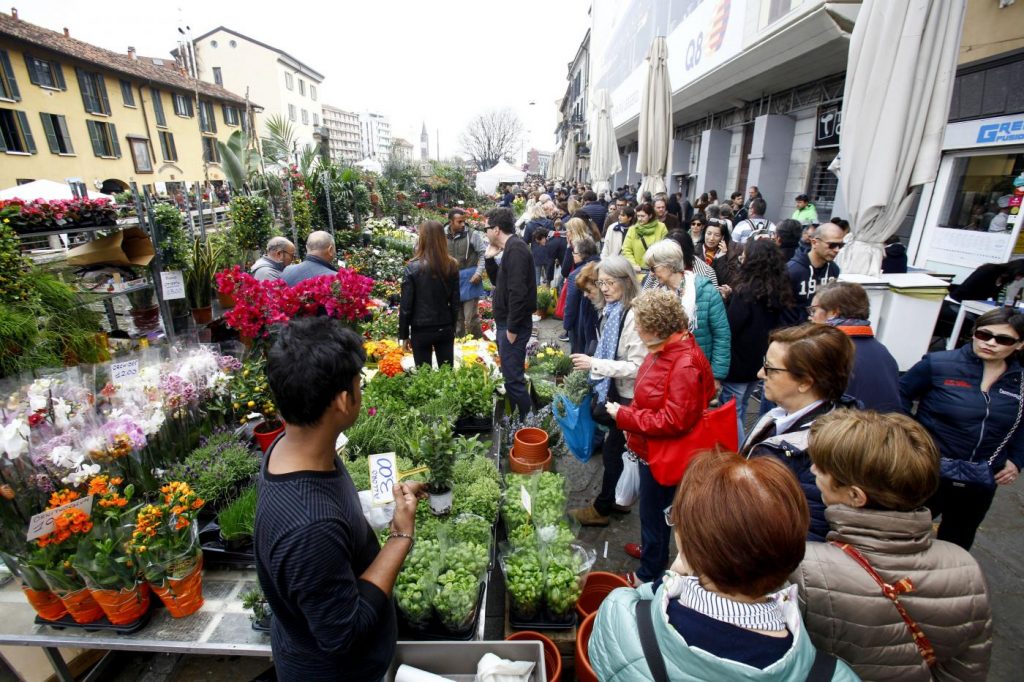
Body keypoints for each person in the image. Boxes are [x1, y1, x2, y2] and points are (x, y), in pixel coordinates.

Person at [590, 450, 858, 682]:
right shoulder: (834, 674)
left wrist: (672, 577)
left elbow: (635, 598)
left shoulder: (623, 618)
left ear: (687, 545)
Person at [256, 317, 426, 681]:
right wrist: (400, 536)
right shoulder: (310, 527)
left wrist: (376, 509)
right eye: (357, 383)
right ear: (344, 400)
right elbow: (344, 633)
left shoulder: (291, 450)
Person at [792, 409, 992, 682]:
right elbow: (966, 668)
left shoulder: (806, 569)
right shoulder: (966, 566)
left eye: (822, 468)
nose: (813, 469)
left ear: (854, 495)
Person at [604, 290, 716, 585]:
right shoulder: (668, 350)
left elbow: (675, 419)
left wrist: (625, 416)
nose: (636, 330)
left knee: (655, 512)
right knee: (652, 511)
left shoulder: (683, 363)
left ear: (655, 328)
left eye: (639, 325)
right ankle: (652, 551)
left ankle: (649, 574)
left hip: (662, 455)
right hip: (651, 448)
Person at [900, 307, 1024, 550]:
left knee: (959, 539)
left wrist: (1017, 459)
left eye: (1003, 339)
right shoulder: (939, 364)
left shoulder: (1020, 381)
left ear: (1019, 345)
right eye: (983, 334)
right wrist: (908, 439)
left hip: (981, 476)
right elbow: (899, 395)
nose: (990, 343)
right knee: (905, 531)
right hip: (929, 469)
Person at [742, 324, 856, 541]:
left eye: (771, 369)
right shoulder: (779, 416)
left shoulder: (823, 454)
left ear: (805, 382)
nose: (760, 374)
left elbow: (803, 538)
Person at [568, 256, 647, 527]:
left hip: (629, 394)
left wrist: (595, 365)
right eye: (601, 283)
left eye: (609, 282)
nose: (604, 288)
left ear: (626, 281)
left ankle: (603, 508)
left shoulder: (633, 315)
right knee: (618, 449)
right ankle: (617, 500)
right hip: (617, 389)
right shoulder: (613, 309)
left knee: (615, 451)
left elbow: (638, 366)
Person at [720, 240, 794, 442]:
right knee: (742, 407)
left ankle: (743, 452)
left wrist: (728, 299)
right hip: (761, 361)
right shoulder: (779, 289)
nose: (741, 258)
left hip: (738, 364)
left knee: (730, 413)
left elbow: (732, 325)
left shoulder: (745, 291)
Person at [645, 239, 731, 385]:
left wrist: (716, 376)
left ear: (670, 265)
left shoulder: (707, 292)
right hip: (666, 372)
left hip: (698, 373)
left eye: (653, 268)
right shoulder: (656, 296)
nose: (651, 274)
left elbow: (722, 335)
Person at [809, 281, 901, 413]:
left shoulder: (828, 352)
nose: (811, 317)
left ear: (834, 312)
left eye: (814, 310)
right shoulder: (883, 351)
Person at [484, 207, 536, 418]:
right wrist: (489, 259)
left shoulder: (516, 250)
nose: (485, 232)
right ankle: (521, 419)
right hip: (508, 323)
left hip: (513, 325)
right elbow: (500, 283)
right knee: (510, 374)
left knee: (513, 378)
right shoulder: (510, 249)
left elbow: (518, 293)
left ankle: (530, 425)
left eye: (487, 228)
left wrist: (512, 329)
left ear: (496, 229)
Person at [399, 221, 459, 368]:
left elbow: (406, 306)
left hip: (421, 328)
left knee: (423, 376)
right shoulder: (451, 265)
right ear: (442, 238)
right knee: (447, 375)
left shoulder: (413, 267)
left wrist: (404, 335)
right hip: (444, 326)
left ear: (423, 238)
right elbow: (455, 302)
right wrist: (452, 325)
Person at [782, 222, 844, 325]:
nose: (837, 250)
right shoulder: (792, 271)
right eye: (832, 245)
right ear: (814, 243)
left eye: (840, 245)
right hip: (792, 334)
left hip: (819, 333)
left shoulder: (834, 270)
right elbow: (783, 310)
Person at [445, 208, 488, 338]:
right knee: (457, 319)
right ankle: (460, 347)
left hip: (470, 279)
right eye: (459, 222)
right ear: (450, 222)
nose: (463, 224)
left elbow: (483, 254)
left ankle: (478, 343)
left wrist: (479, 272)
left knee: (470, 318)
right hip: (452, 279)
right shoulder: (442, 235)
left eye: (464, 221)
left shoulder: (472, 234)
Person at [562, 239, 601, 354]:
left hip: (581, 322)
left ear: (582, 254)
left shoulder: (577, 274)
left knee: (579, 351)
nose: (573, 255)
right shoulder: (602, 266)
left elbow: (571, 303)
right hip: (596, 321)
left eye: (574, 253)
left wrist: (567, 325)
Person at [621, 202, 668, 271]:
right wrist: (633, 264)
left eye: (642, 216)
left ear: (650, 215)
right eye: (638, 216)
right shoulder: (633, 229)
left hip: (656, 270)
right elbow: (626, 249)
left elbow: (666, 249)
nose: (639, 219)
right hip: (638, 269)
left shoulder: (661, 227)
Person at [696, 220, 739, 288]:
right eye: (709, 233)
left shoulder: (730, 254)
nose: (711, 238)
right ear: (704, 234)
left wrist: (721, 257)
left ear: (722, 237)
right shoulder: (694, 251)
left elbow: (729, 280)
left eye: (717, 235)